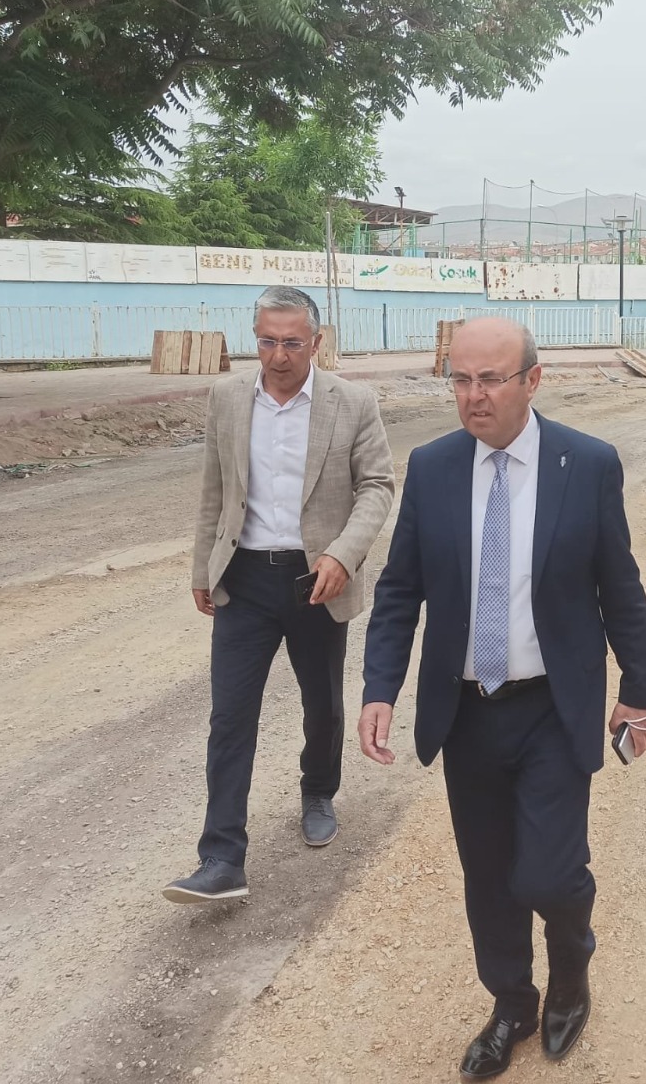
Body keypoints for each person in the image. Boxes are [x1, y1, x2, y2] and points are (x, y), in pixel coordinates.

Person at [359, 317, 646, 1079]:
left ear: (532, 380)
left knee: (546, 876)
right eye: (460, 380)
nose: (474, 396)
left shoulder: (585, 464)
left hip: (553, 707)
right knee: (489, 877)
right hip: (467, 712)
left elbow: (619, 587)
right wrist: (379, 688)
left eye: (491, 379)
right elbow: (399, 590)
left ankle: (572, 968)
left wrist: (640, 691)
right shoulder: (432, 467)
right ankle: (513, 1005)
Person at [164, 286, 395, 904]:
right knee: (230, 716)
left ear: (316, 343)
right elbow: (214, 488)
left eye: (292, 343)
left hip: (316, 579)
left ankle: (318, 791)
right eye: (267, 341)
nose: (279, 355)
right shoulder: (228, 398)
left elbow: (377, 486)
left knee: (322, 704)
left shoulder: (352, 402)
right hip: (243, 579)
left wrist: (343, 554)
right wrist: (202, 568)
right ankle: (221, 858)